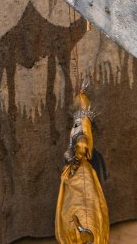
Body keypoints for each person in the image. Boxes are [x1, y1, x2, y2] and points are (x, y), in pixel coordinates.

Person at [55, 84, 109, 243]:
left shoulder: (82, 131)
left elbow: (82, 146)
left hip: (80, 173)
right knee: (73, 206)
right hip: (77, 173)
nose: (74, 129)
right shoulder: (79, 127)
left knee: (82, 207)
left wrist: (74, 157)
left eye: (76, 125)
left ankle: (83, 235)